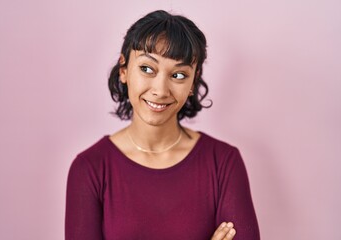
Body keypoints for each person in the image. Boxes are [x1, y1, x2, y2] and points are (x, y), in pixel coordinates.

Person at [65, 10, 260, 240]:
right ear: (124, 70)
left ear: (193, 82)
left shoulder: (224, 162)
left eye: (178, 75)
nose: (160, 90)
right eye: (147, 69)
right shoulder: (90, 169)